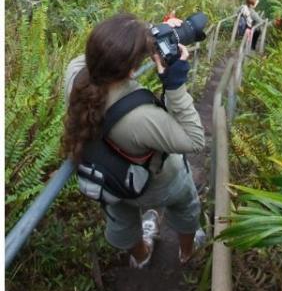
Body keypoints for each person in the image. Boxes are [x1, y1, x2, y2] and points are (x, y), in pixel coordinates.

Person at [62, 14, 207, 268]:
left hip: (108, 179)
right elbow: (194, 139)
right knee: (185, 205)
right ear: (131, 70)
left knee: (121, 217)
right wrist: (175, 86)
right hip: (156, 185)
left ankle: (141, 256)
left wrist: (142, 36)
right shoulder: (140, 117)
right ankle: (186, 251)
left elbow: (98, 56)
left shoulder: (75, 74)